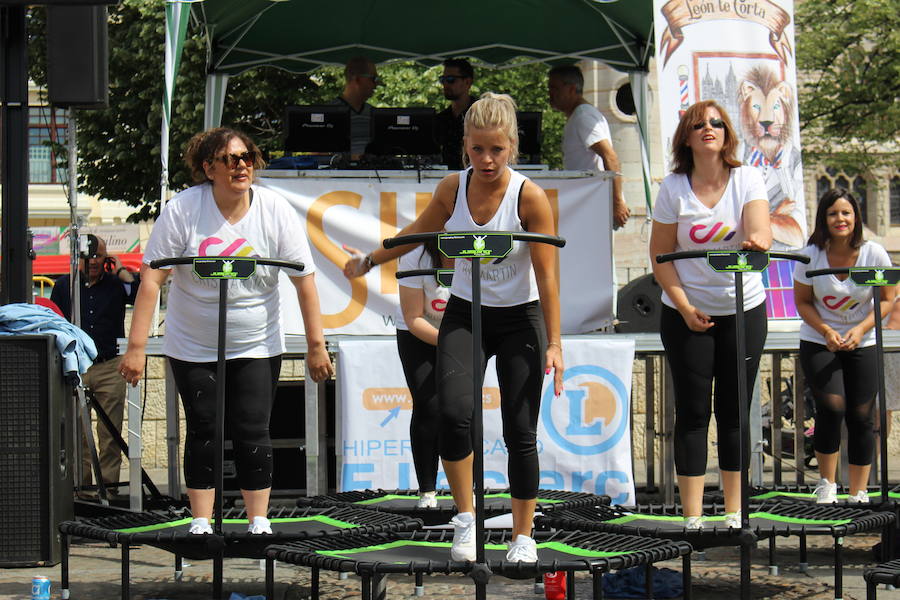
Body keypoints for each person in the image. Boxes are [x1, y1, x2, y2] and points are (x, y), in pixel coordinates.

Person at [342, 93, 563, 562]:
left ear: (512, 147)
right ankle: (467, 519)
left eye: (496, 150)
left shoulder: (530, 197)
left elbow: (547, 277)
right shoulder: (451, 189)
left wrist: (556, 343)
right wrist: (368, 261)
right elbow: (415, 235)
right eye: (477, 149)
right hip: (466, 312)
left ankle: (523, 537)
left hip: (520, 318)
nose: (486, 160)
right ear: (464, 145)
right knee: (452, 414)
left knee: (520, 430)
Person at [119, 127, 334, 535]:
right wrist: (136, 348)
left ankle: (259, 521)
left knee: (253, 426)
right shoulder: (184, 209)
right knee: (205, 427)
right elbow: (151, 280)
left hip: (256, 340)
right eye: (230, 159)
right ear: (208, 168)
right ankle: (200, 521)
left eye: (247, 157)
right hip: (193, 343)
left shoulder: (273, 210)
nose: (241, 166)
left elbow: (304, 281)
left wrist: (316, 346)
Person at [648, 100, 771, 529]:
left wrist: (755, 241)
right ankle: (694, 516)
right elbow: (660, 256)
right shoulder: (673, 187)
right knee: (693, 412)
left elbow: (761, 232)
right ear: (687, 135)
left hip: (743, 308)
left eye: (717, 123)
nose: (708, 129)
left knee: (735, 412)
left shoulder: (747, 177)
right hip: (687, 312)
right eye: (699, 124)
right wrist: (683, 307)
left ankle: (736, 512)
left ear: (726, 135)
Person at [793, 188, 894, 504]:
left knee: (862, 414)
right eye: (833, 213)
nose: (840, 219)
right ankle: (827, 483)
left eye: (846, 213)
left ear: (856, 217)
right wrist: (825, 330)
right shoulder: (810, 255)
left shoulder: (874, 253)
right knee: (832, 407)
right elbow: (803, 301)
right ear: (824, 218)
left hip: (863, 341)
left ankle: (859, 490)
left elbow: (888, 298)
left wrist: (860, 329)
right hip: (820, 340)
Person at [51, 235, 139, 495]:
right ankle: (83, 489)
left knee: (109, 433)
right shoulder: (64, 285)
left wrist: (122, 269)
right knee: (77, 434)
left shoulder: (114, 285)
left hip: (109, 366)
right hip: (76, 367)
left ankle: (109, 489)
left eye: (98, 256)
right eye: (86, 256)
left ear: (106, 258)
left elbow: (138, 293)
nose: (92, 261)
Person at [394, 239, 452, 507]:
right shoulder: (415, 254)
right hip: (416, 331)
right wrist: (453, 343)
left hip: (462, 331)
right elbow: (413, 317)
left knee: (461, 409)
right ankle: (427, 491)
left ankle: (466, 489)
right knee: (429, 405)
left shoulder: (478, 250)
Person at [548, 64, 629, 229]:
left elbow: (610, 156)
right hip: (587, 202)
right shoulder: (579, 116)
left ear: (571, 89)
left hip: (593, 202)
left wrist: (617, 201)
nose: (550, 94)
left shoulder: (583, 116)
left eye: (554, 88)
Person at [434, 58, 476, 170]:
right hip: (444, 177)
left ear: (467, 82)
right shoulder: (440, 119)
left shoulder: (482, 115)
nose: (445, 84)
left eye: (451, 79)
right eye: (443, 80)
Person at [334, 56, 380, 157]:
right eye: (374, 78)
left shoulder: (375, 114)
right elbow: (317, 154)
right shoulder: (329, 113)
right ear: (357, 79)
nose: (376, 84)